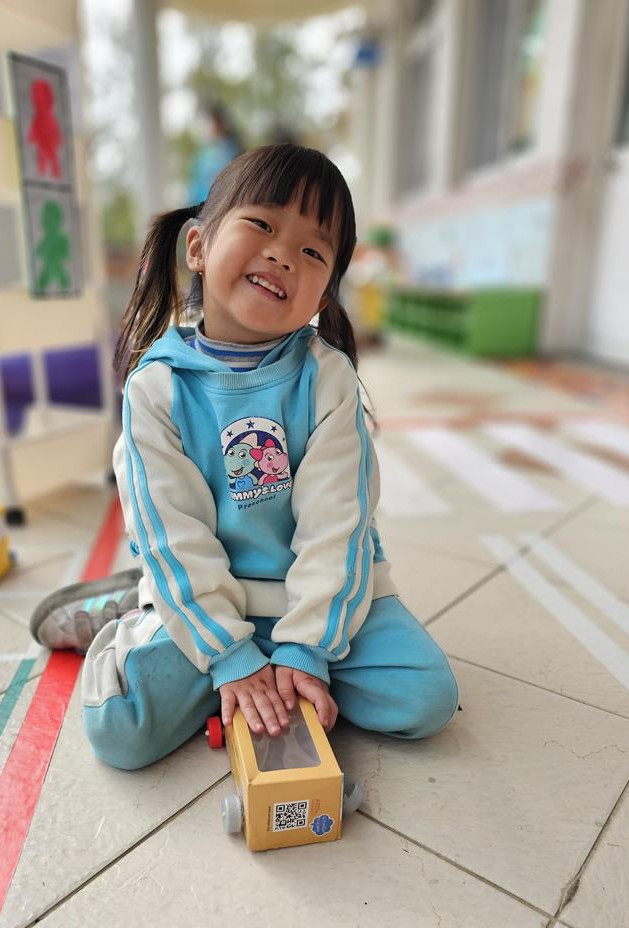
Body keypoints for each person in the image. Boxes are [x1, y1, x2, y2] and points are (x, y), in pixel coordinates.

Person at [30, 143, 458, 771]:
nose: (283, 253)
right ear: (198, 247)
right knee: (120, 730)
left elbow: (339, 526)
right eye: (261, 223)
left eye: (313, 252)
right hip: (208, 590)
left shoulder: (328, 378)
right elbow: (171, 531)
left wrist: (307, 650)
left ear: (324, 295)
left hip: (317, 597)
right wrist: (229, 656)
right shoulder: (156, 387)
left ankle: (262, 666)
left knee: (425, 699)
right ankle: (140, 606)